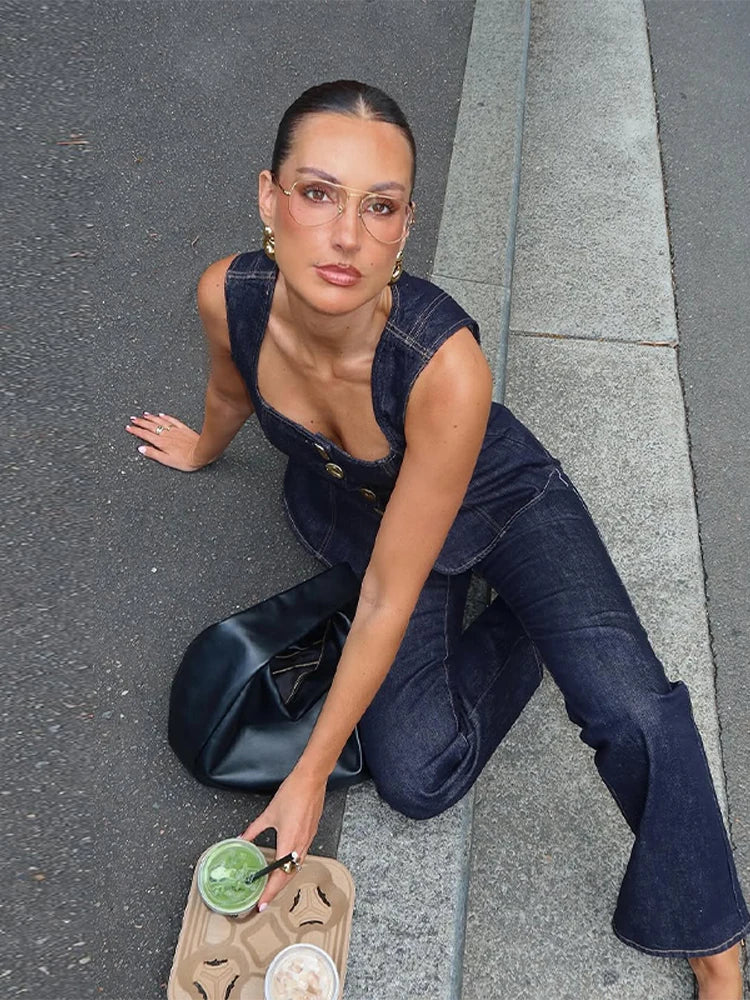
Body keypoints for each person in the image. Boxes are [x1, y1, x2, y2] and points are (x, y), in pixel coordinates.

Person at [125, 81, 748, 997]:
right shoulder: (230, 296)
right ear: (269, 197)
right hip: (375, 526)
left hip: (499, 499)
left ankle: (715, 945)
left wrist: (305, 778)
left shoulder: (444, 365)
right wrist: (204, 446)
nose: (346, 235)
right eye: (318, 193)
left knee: (629, 706)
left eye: (378, 207)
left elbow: (386, 597)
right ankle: (532, 623)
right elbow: (229, 388)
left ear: (405, 226)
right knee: (418, 777)